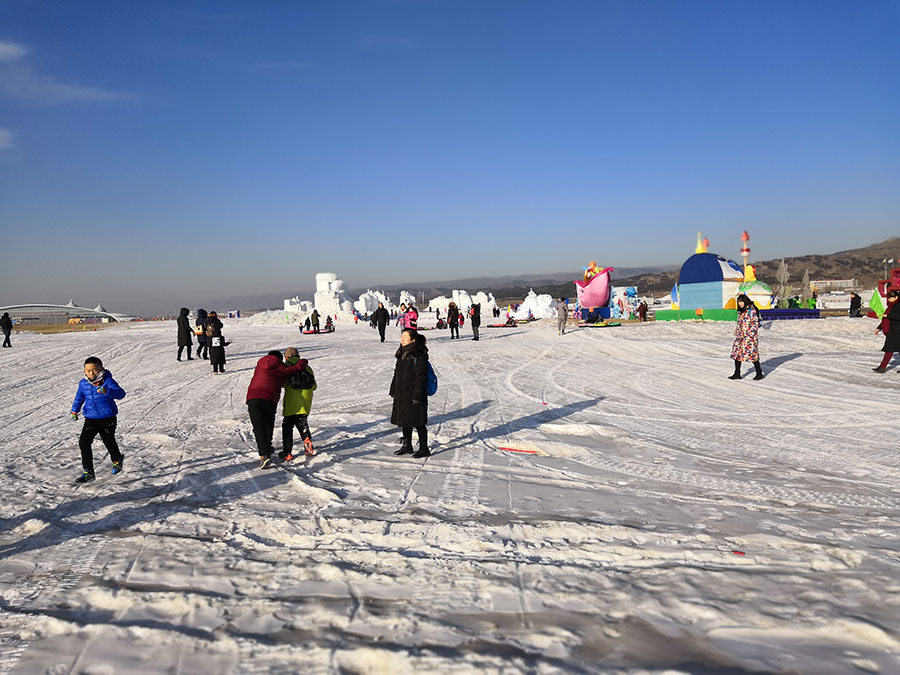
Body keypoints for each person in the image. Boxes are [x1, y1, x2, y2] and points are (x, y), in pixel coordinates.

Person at [246, 350, 310, 468]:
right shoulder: (280, 366)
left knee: (259, 427)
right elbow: (296, 368)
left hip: (253, 397)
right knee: (268, 424)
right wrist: (304, 361)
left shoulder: (260, 365)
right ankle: (266, 449)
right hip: (270, 397)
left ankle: (264, 454)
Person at [70, 356, 126, 483]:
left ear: (101, 369)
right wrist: (74, 410)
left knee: (108, 441)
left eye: (95, 370)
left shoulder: (108, 381)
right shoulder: (83, 384)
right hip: (90, 417)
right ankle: (88, 471)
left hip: (107, 417)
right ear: (84, 371)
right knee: (84, 442)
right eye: (88, 370)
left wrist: (107, 391)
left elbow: (121, 394)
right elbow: (79, 398)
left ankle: (117, 459)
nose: (91, 373)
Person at [390, 329, 430, 458]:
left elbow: (421, 377)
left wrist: (417, 395)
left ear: (412, 340)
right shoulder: (402, 353)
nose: (402, 339)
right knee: (405, 421)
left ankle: (424, 448)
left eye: (405, 337)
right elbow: (397, 374)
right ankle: (407, 446)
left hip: (415, 394)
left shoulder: (419, 355)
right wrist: (393, 389)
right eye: (401, 337)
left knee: (419, 422)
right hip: (402, 393)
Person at [279, 347, 317, 460]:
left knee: (287, 426)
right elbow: (314, 385)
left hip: (292, 400)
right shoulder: (307, 367)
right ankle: (307, 439)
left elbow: (284, 383)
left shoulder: (287, 367)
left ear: (286, 357)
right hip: (306, 400)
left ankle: (287, 453)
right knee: (302, 422)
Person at [729, 294, 764, 380]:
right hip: (740, 336)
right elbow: (739, 323)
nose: (740, 303)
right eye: (739, 302)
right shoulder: (741, 311)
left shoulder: (752, 310)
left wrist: (750, 334)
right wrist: (737, 332)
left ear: (745, 301)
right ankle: (737, 373)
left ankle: (759, 373)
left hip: (750, 337)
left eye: (741, 301)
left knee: (752, 355)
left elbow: (755, 324)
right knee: (737, 354)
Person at [873, 289, 900, 373]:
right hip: (892, 330)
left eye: (891, 298)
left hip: (897, 331)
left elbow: (897, 316)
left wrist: (888, 315)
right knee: (891, 348)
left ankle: (882, 367)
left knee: (889, 349)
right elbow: (885, 319)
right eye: (889, 298)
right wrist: (879, 328)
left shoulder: (898, 305)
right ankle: (882, 367)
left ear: (896, 297)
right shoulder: (891, 306)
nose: (890, 300)